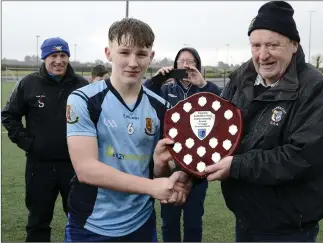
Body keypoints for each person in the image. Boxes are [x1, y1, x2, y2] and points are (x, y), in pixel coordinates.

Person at [204, 1, 323, 242]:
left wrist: (237, 166)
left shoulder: (316, 91)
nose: (262, 55)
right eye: (256, 45)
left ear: (294, 45)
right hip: (245, 217)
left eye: (272, 45)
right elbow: (219, 132)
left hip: (289, 227)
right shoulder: (240, 81)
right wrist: (186, 165)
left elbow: (303, 157)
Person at [64, 17, 192, 242]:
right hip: (92, 226)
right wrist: (152, 186)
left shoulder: (160, 106)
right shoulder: (83, 99)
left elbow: (157, 173)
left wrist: (162, 166)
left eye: (141, 54)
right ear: (108, 53)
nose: (133, 62)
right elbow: (86, 169)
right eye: (124, 52)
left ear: (151, 57)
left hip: (141, 223)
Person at [1, 37, 89, 242]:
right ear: (44, 58)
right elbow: (8, 115)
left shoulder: (81, 85)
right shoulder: (28, 83)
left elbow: (95, 118)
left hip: (74, 165)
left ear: (68, 57)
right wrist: (29, 144)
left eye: (63, 55)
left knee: (81, 218)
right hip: (39, 166)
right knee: (38, 222)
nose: (59, 60)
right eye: (53, 55)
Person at [144, 47, 221, 242]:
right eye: (181, 61)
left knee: (193, 219)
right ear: (175, 65)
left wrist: (202, 84)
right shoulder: (166, 88)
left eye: (190, 61)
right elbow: (143, 93)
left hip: (198, 165)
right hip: (169, 162)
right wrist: (157, 79)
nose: (185, 65)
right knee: (169, 220)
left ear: (198, 65)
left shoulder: (205, 88)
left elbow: (222, 105)